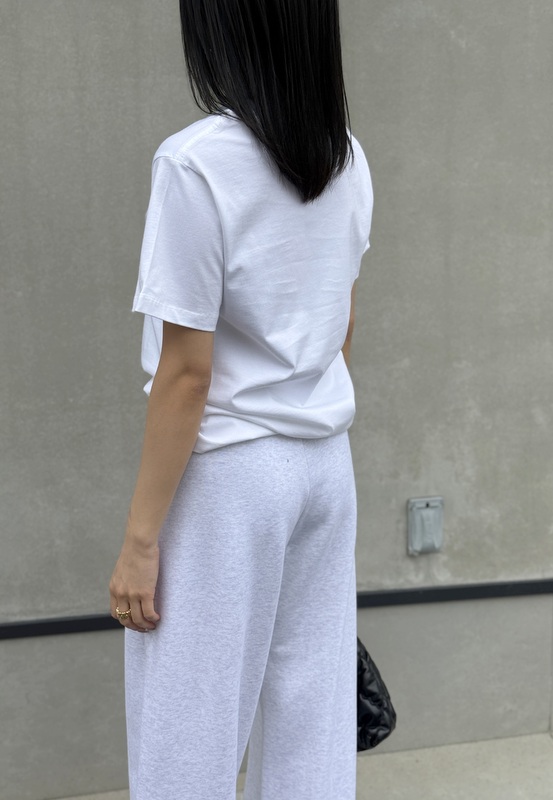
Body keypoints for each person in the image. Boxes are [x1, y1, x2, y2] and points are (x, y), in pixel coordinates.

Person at [109, 1, 373, 798]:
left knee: (186, 728)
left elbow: (188, 375)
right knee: (311, 720)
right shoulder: (344, 155)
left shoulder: (195, 162)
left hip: (229, 475)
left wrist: (140, 541)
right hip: (323, 465)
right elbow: (340, 324)